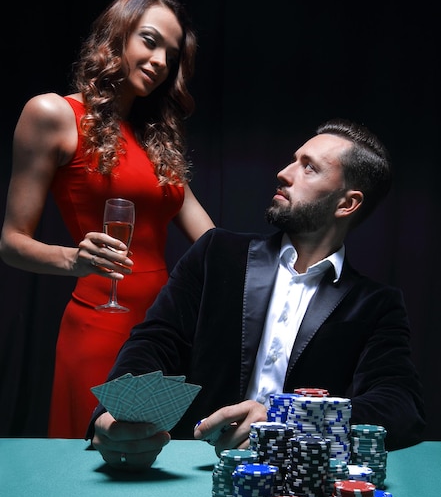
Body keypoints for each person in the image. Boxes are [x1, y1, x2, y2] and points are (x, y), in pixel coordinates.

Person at [87, 118, 426, 471]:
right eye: (294, 160)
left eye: (308, 168)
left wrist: (288, 418)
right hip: (190, 469)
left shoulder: (376, 304)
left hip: (296, 486)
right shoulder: (215, 253)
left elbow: (401, 404)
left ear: (347, 204)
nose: (284, 172)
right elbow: (155, 342)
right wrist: (115, 412)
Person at [0, 0, 215, 438]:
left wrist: (287, 257)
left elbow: (211, 240)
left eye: (171, 55)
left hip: (162, 334)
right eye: (149, 41)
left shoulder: (156, 139)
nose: (159, 61)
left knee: (153, 478)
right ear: (117, 36)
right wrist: (74, 260)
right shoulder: (52, 113)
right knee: (102, 475)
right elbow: (12, 243)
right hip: (101, 327)